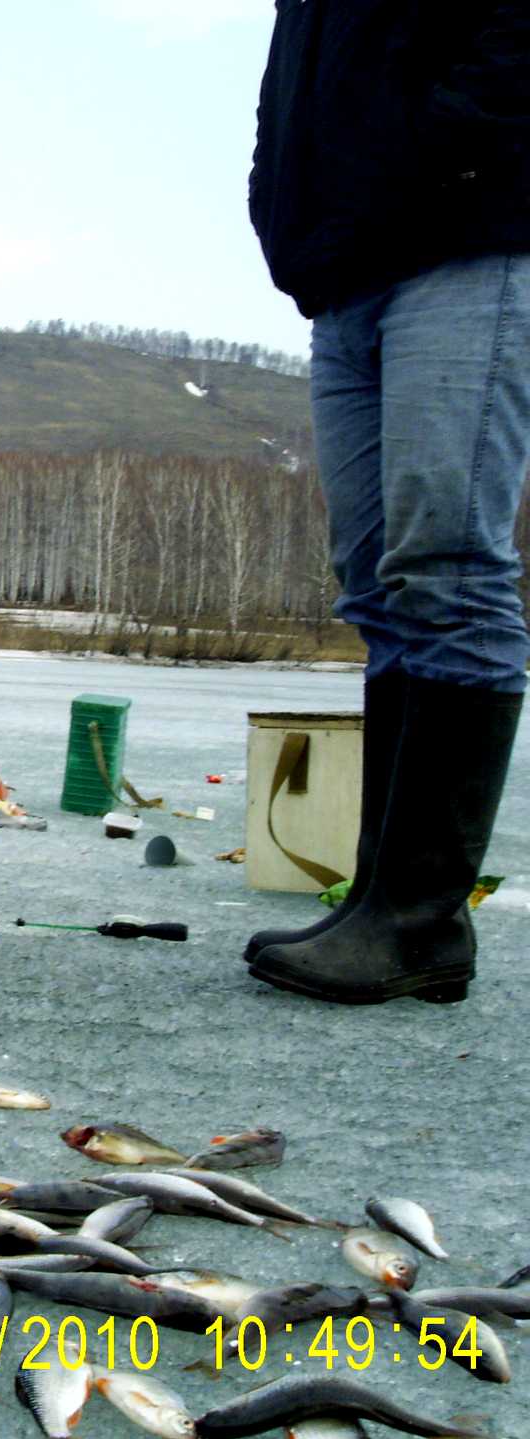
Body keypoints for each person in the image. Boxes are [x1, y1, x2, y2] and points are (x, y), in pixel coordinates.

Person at [244, 4, 528, 1004]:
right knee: (377, 579)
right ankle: (379, 906)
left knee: (448, 563)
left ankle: (420, 920)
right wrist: (287, 223)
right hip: (347, 271)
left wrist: (422, 163)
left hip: (468, 235)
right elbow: (294, 103)